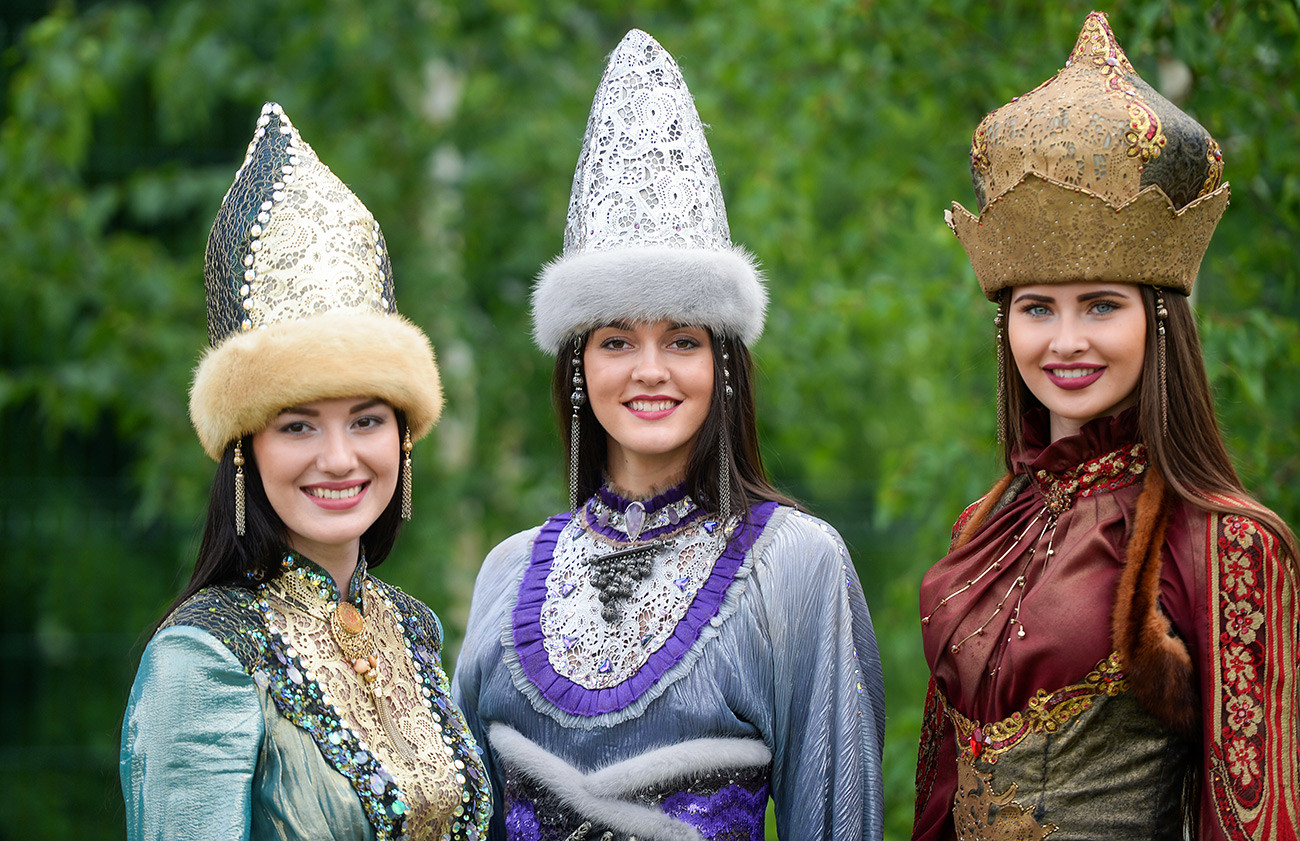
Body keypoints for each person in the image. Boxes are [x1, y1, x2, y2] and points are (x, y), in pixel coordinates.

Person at [452, 29, 885, 841]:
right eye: (616, 339)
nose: (650, 368)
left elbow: (838, 822)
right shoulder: (504, 575)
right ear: (578, 363)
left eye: (682, 338)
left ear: (724, 362)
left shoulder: (798, 565)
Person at [912, 12, 1299, 840]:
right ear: (1005, 324)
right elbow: (938, 803)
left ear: (1159, 320)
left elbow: (1256, 820)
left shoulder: (1227, 542)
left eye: (1100, 305)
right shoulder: (980, 527)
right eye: (1037, 308)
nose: (1066, 339)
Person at [120, 102, 491, 841]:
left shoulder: (412, 628)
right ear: (244, 447)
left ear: (404, 436)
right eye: (297, 425)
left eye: (366, 418)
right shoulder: (203, 659)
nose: (339, 457)